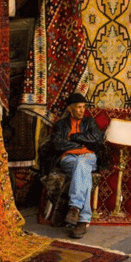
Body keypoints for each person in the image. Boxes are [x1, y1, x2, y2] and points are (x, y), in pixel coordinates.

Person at [40, 93, 108, 239]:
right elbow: (57, 144)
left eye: (84, 107)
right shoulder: (61, 124)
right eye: (79, 107)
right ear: (70, 109)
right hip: (68, 158)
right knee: (83, 172)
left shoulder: (90, 122)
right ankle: (82, 220)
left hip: (88, 157)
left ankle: (75, 207)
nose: (82, 110)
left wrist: (74, 137)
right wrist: (81, 143)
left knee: (82, 163)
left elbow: (97, 138)